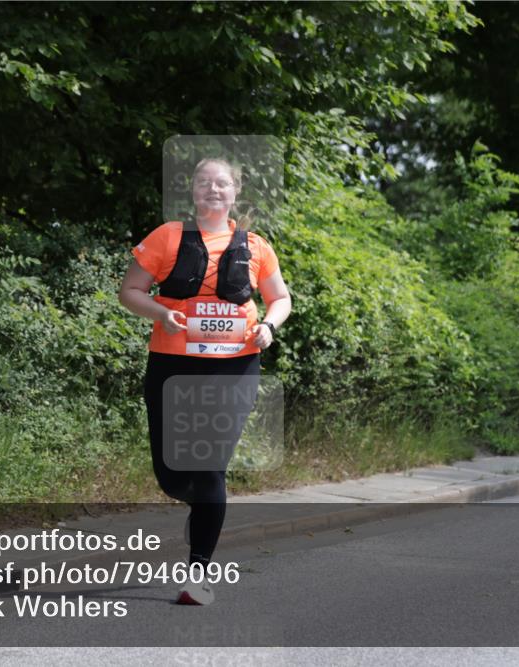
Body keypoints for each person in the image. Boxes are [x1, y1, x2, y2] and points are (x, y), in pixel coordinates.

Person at [119, 157, 291, 605]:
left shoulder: (256, 246)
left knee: (211, 465)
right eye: (203, 183)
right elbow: (130, 292)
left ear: (235, 193)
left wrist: (268, 326)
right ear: (192, 192)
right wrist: (161, 312)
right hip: (172, 366)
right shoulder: (167, 237)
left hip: (234, 367)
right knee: (172, 476)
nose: (213, 190)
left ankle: (198, 572)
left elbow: (280, 299)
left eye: (222, 184)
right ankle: (196, 502)